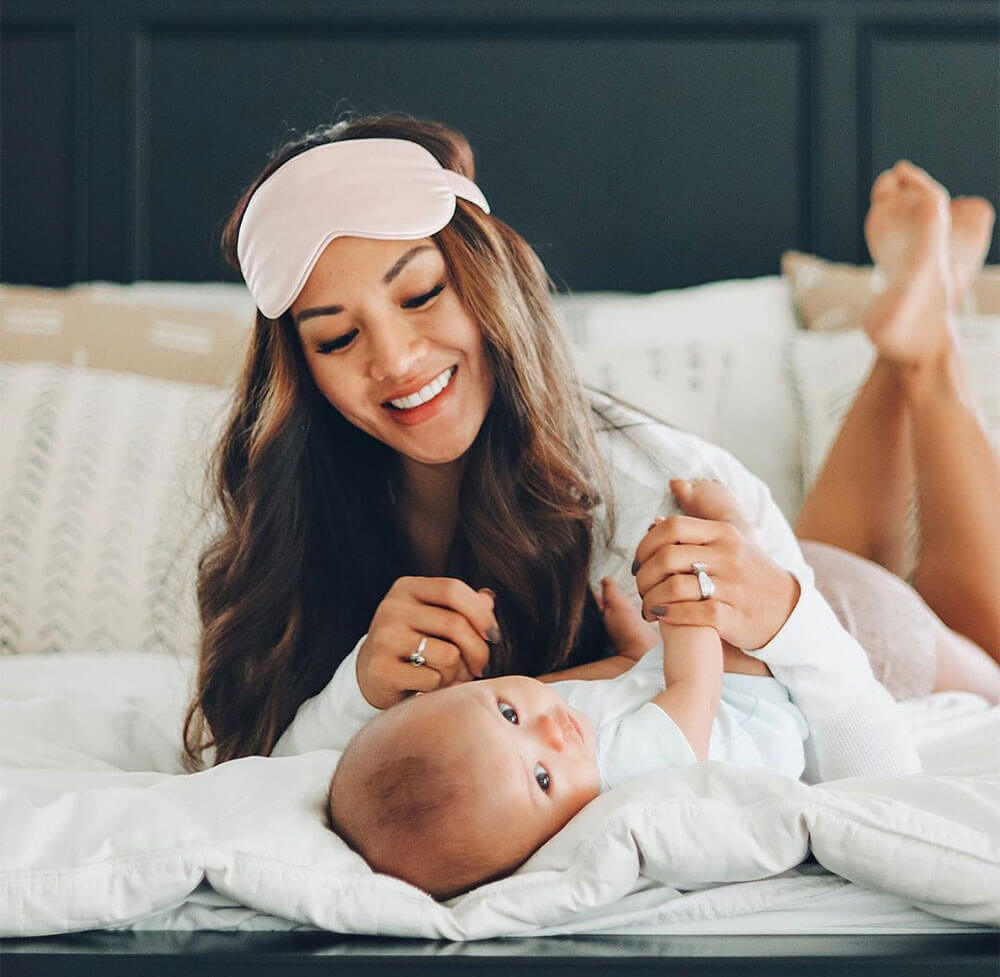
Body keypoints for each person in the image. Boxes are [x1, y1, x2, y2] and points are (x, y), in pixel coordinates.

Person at [182, 113, 998, 784]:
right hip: (776, 577)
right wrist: (355, 693)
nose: (393, 360)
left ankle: (924, 354)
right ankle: (916, 322)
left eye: (422, 294)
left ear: (489, 280)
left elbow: (882, 778)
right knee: (833, 543)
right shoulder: (296, 515)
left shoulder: (661, 483)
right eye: (336, 338)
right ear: (301, 372)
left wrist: (792, 617)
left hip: (842, 615)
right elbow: (246, 778)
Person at [327, 478, 811, 900]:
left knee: (556, 696)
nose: (551, 733)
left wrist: (629, 660)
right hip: (742, 705)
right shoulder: (623, 776)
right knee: (727, 626)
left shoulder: (552, 755)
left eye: (507, 714)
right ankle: (737, 528)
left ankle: (632, 657)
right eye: (542, 779)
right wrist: (681, 596)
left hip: (664, 701)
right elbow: (695, 689)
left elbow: (563, 696)